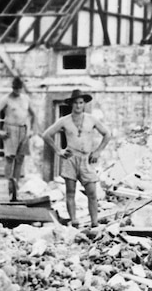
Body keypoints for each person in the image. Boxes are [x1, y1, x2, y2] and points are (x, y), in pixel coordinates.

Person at [42, 89, 111, 227]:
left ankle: (94, 223)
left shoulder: (91, 119)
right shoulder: (64, 121)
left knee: (92, 192)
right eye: (75, 103)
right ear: (71, 104)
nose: (78, 106)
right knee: (70, 192)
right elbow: (46, 135)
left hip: (86, 159)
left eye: (81, 103)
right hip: (70, 159)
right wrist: (58, 151)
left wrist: (98, 151)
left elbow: (107, 134)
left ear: (84, 104)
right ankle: (74, 221)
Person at [0, 77, 39, 202]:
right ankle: (9, 185)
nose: (16, 91)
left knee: (20, 159)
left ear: (21, 88)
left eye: (19, 88)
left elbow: (34, 114)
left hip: (23, 130)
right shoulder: (6, 98)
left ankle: (16, 186)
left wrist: (32, 130)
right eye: (15, 88)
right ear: (12, 87)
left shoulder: (25, 99)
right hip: (10, 129)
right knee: (10, 158)